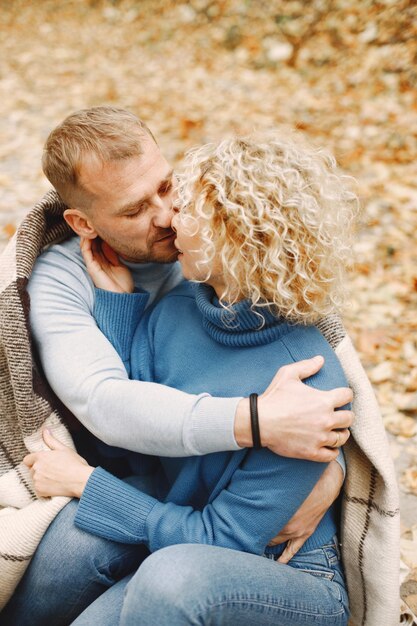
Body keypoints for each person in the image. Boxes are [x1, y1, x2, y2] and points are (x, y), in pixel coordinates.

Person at [0, 108, 352, 625]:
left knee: (172, 575)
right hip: (181, 521)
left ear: (242, 237)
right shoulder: (162, 307)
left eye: (172, 192)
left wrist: (329, 467)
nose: (167, 217)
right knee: (90, 547)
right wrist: (256, 421)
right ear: (83, 223)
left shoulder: (304, 363)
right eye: (135, 209)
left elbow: (226, 534)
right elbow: (113, 414)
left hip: (281, 571)